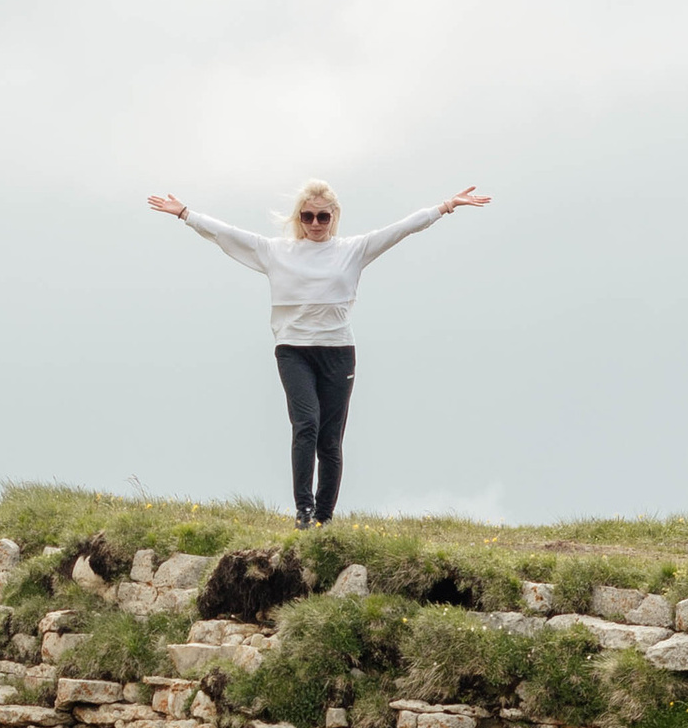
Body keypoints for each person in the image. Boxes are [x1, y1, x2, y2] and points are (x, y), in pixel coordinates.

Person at [147, 177, 490, 526]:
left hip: (338, 352)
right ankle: (304, 511)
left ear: (333, 217)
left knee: (330, 439)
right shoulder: (275, 251)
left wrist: (446, 206)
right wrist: (186, 214)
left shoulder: (352, 250)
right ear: (298, 218)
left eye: (322, 217)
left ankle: (324, 520)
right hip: (293, 350)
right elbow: (227, 235)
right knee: (305, 424)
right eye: (307, 217)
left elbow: (400, 229)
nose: (314, 224)